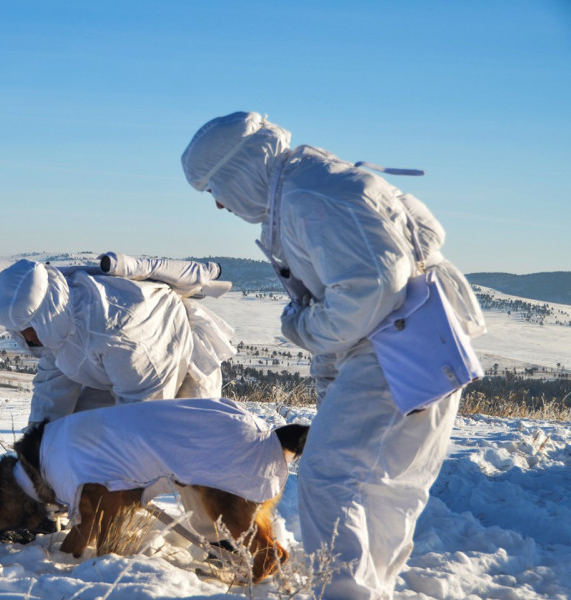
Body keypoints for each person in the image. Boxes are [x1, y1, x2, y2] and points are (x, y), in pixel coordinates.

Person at [181, 111, 485, 600]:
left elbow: (372, 287)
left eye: (216, 187)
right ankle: (369, 590)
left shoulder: (307, 197)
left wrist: (300, 326)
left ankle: (343, 592)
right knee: (388, 482)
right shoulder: (315, 182)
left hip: (393, 344)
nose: (219, 203)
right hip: (428, 337)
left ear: (240, 170)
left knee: (329, 475)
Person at [0, 258, 234, 426]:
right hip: (113, 374)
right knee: (76, 436)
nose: (28, 338)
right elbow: (52, 390)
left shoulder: (117, 330)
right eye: (20, 331)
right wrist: (35, 449)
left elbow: (143, 414)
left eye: (29, 329)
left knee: (186, 452)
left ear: (45, 316)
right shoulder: (57, 323)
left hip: (175, 357)